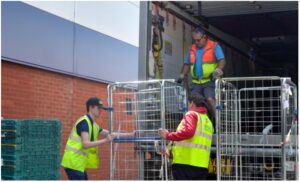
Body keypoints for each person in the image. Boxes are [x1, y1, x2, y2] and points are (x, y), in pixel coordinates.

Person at [61, 97, 133, 180]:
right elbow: (86, 144)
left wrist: (130, 134)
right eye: (98, 108)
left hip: (78, 164)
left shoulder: (93, 125)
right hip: (73, 163)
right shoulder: (84, 122)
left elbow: (110, 133)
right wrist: (106, 140)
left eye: (101, 108)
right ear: (91, 108)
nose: (100, 110)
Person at [158, 93, 214, 180]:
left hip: (185, 164)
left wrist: (168, 135)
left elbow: (188, 132)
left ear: (191, 103)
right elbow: (195, 141)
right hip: (201, 165)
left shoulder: (191, 114)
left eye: (188, 104)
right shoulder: (207, 121)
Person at [177, 27, 226, 122]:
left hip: (209, 80)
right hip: (196, 82)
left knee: (210, 99)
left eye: (198, 40)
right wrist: (181, 75)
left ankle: (219, 123)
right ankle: (193, 125)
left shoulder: (214, 46)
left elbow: (222, 60)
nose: (196, 42)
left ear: (204, 37)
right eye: (194, 40)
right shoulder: (192, 49)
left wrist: (218, 70)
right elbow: (187, 64)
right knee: (192, 103)